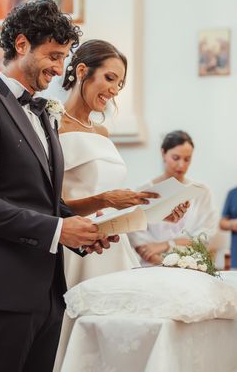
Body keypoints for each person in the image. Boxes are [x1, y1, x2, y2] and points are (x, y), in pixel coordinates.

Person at [0, 0, 113, 371]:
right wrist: (59, 229)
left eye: (63, 58)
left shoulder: (45, 115)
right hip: (1, 293)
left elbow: (43, 200)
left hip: (48, 294)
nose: (59, 70)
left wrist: (87, 231)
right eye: (53, 56)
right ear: (21, 45)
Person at [51, 39, 187, 369]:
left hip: (112, 245)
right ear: (82, 71)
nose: (114, 90)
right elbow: (49, 201)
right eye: (109, 78)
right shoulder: (51, 125)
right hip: (76, 246)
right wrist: (105, 200)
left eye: (120, 83)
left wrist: (157, 210)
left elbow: (113, 201)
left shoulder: (103, 133)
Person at [129, 131, 219, 265]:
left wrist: (167, 245)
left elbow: (206, 234)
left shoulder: (201, 191)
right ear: (163, 153)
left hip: (191, 264)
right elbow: (137, 237)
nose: (181, 165)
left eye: (187, 159)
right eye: (176, 158)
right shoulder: (143, 191)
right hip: (152, 266)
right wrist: (163, 263)